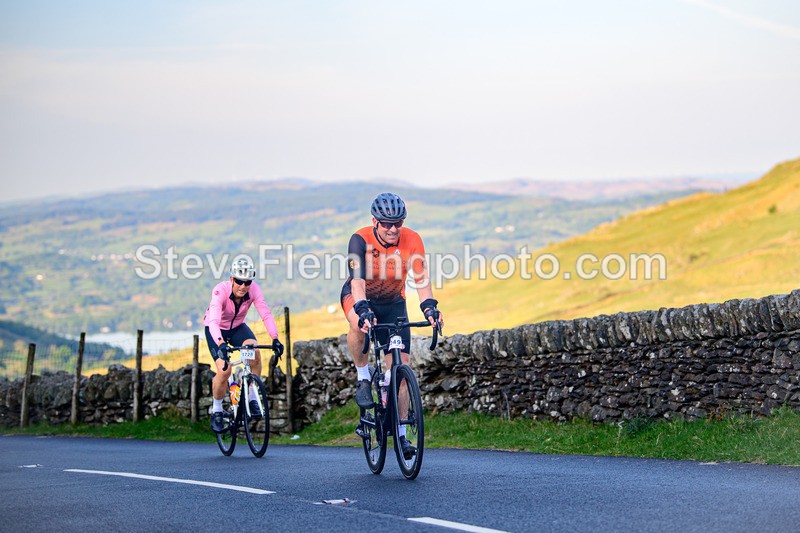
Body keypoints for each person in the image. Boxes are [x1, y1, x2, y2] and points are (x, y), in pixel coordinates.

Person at [340, 192, 443, 459]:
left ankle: (401, 435)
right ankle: (363, 376)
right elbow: (357, 282)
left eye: (398, 222)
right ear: (375, 221)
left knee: (401, 370)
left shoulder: (413, 239)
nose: (393, 228)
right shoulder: (359, 239)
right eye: (386, 223)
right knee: (358, 324)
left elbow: (421, 279)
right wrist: (363, 309)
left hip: (394, 302)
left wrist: (429, 307)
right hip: (360, 298)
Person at [203, 257, 284, 433]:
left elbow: (266, 314)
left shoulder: (254, 290)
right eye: (239, 281)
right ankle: (217, 410)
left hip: (238, 328)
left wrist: (275, 338)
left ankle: (252, 397)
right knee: (224, 370)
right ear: (232, 279)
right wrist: (221, 343)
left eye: (247, 282)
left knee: (254, 352)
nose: (243, 286)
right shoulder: (220, 291)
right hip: (216, 329)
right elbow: (214, 321)